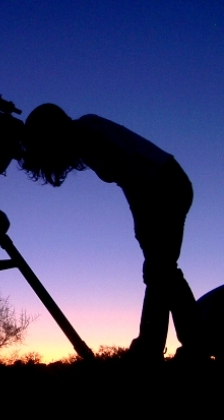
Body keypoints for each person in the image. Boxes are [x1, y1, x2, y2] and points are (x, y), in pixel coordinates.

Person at [20, 103, 204, 362]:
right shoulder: (86, 136)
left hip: (165, 187)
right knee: (163, 271)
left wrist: (142, 218)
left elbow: (131, 170)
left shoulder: (86, 131)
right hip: (165, 186)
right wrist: (141, 220)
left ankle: (158, 347)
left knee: (159, 269)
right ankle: (184, 345)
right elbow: (129, 177)